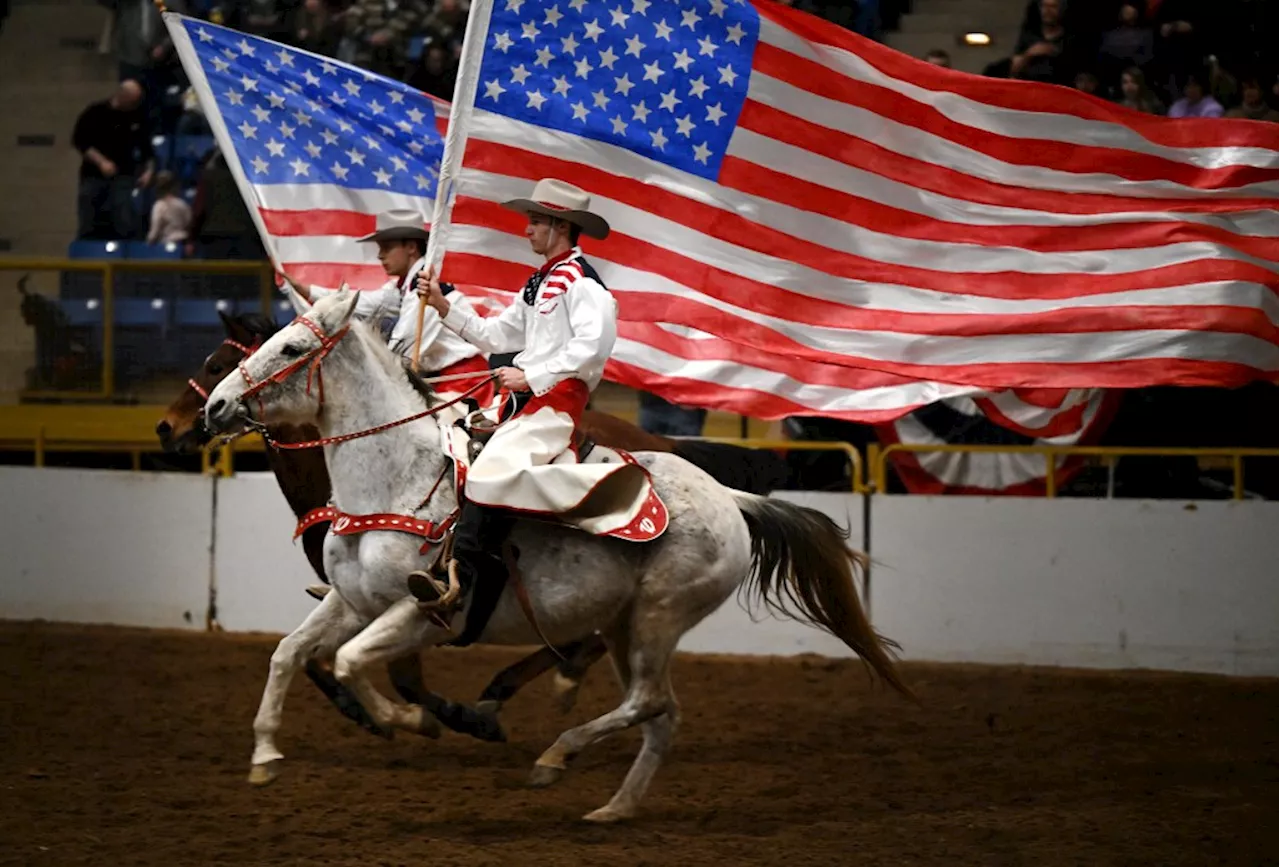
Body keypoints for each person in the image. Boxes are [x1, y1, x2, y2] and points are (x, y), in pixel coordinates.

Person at [407, 178, 633, 617]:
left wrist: (531, 375)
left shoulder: (585, 284)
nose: (526, 230)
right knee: (450, 447)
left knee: (492, 469)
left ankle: (459, 584)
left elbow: (594, 346)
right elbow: (494, 335)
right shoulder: (539, 282)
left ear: (558, 226)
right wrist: (440, 305)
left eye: (534, 222)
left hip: (556, 405)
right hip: (524, 402)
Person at [278, 209, 494, 403]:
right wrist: (304, 289)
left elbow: (404, 347)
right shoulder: (402, 288)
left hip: (464, 386)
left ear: (411, 247)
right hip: (438, 382)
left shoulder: (427, 290)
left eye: (387, 248)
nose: (380, 255)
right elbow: (361, 304)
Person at [72, 79, 154, 240]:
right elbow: (80, 141)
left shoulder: (136, 116)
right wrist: (101, 162)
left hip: (124, 177)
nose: (134, 105)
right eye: (132, 101)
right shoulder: (95, 112)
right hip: (94, 176)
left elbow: (147, 149)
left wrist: (149, 171)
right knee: (88, 221)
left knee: (124, 222)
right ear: (122, 96)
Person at [145, 170, 191, 245]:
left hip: (168, 243)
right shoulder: (182, 204)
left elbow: (155, 229)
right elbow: (188, 223)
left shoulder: (159, 206)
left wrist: (148, 242)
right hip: (183, 242)